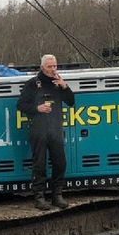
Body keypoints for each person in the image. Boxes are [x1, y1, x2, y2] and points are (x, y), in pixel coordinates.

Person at [16, 54, 75, 210]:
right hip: (38, 129)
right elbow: (21, 105)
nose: (53, 69)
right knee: (39, 164)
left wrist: (65, 86)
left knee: (60, 162)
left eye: (55, 66)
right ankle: (39, 197)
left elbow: (71, 102)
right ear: (42, 67)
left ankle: (57, 195)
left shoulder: (58, 83)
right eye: (50, 66)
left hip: (55, 129)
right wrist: (37, 109)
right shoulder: (32, 84)